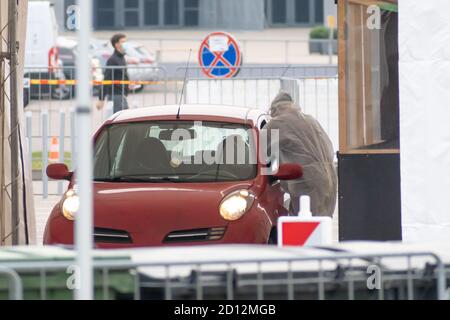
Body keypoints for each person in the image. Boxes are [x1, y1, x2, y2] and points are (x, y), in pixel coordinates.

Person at [263, 91, 337, 217]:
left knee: (304, 225)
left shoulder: (277, 123)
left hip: (306, 182)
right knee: (321, 225)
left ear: (276, 109)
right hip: (329, 178)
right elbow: (329, 147)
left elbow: (258, 152)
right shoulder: (311, 120)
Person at [96, 33, 129, 113]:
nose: (126, 44)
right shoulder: (112, 60)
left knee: (124, 119)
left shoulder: (122, 58)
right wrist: (101, 98)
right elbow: (106, 79)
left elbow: (124, 75)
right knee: (120, 120)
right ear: (116, 44)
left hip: (121, 94)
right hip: (115, 95)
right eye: (123, 42)